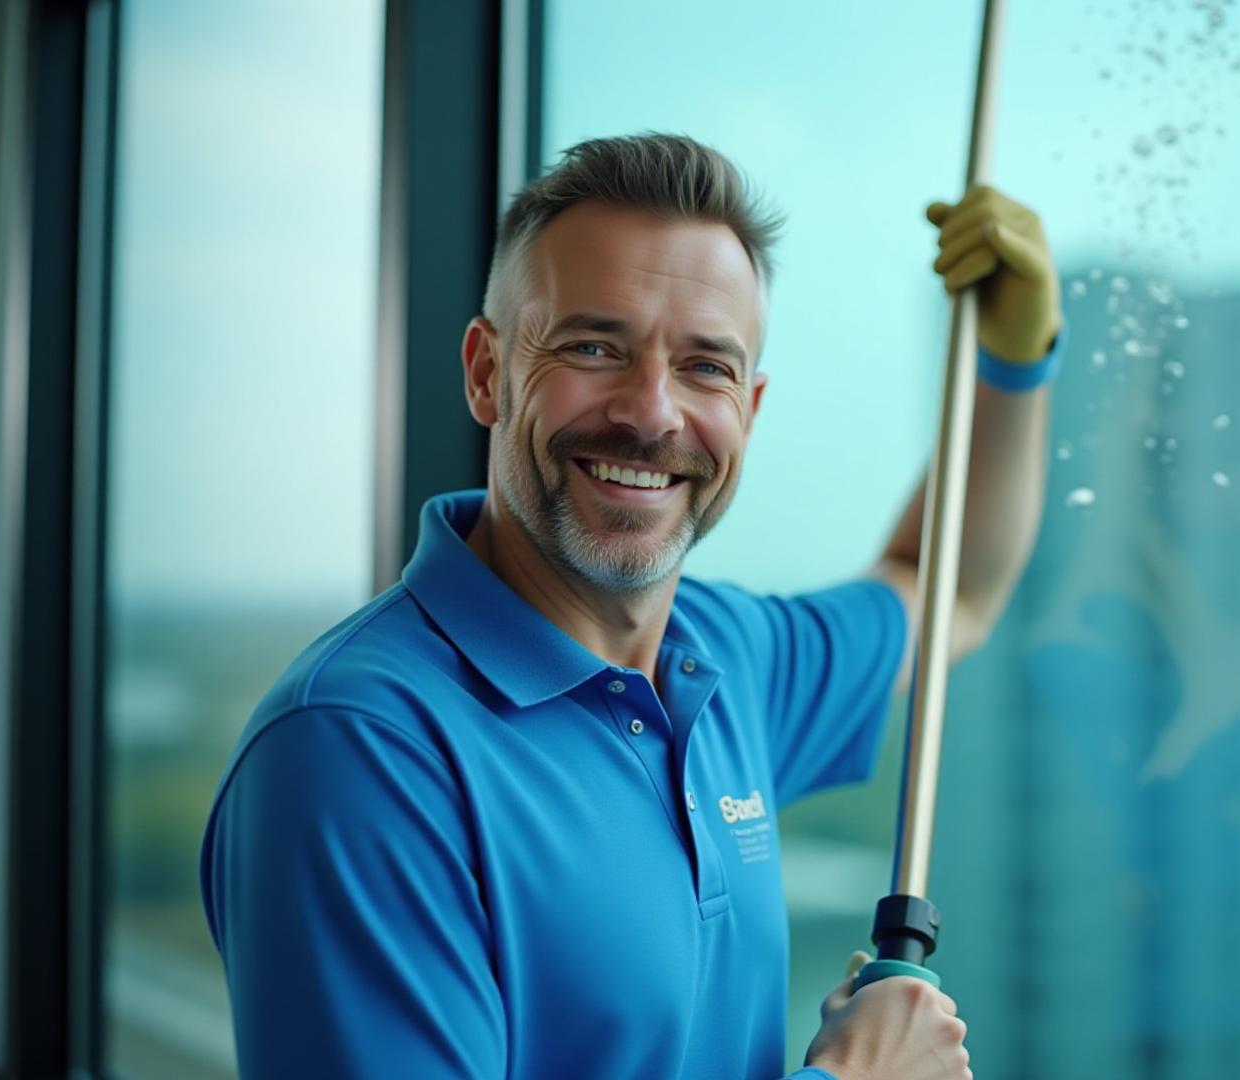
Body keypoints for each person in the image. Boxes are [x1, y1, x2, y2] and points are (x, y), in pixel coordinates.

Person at [199, 132, 1062, 1079]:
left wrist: (1012, 364)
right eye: (595, 345)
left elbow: (953, 589)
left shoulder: (727, 657)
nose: (652, 414)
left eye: (706, 368)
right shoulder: (357, 748)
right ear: (488, 373)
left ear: (751, 411)